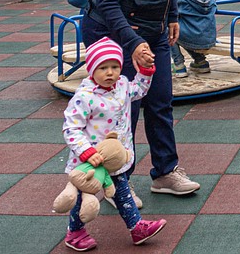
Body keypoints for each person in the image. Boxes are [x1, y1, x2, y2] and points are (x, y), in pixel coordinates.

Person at [81, 0, 201, 199]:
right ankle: (116, 182)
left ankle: (164, 172)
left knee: (160, 101)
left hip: (153, 31)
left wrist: (172, 15)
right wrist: (131, 44)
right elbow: (106, 0)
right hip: (115, 33)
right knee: (123, 109)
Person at [61, 38, 166, 251]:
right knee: (84, 196)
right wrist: (86, 151)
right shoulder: (85, 97)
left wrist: (146, 71)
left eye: (115, 67)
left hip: (114, 156)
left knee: (122, 192)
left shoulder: (123, 86)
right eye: (103, 68)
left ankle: (137, 227)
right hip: (90, 160)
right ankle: (75, 232)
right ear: (91, 70)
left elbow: (139, 91)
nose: (110, 72)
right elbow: (71, 128)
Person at [174, 0, 217, 74]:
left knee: (170, 31)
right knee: (189, 31)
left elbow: (170, 10)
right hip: (209, 37)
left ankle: (179, 65)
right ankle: (200, 61)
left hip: (193, 37)